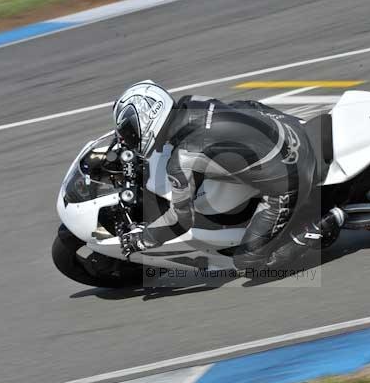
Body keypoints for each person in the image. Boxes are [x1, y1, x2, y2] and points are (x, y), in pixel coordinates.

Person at [113, 81, 344, 271]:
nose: (131, 139)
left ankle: (321, 225)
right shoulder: (193, 102)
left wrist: (142, 239)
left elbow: (180, 220)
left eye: (131, 132)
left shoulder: (182, 159)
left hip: (292, 178)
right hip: (294, 130)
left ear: (148, 118)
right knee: (243, 108)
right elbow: (247, 105)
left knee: (247, 263)